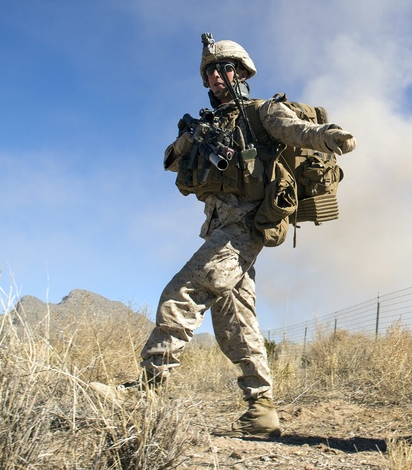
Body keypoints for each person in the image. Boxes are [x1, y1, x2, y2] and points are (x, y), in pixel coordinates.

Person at [94, 36, 356, 439]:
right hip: (220, 228)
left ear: (243, 73)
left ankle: (146, 389)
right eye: (212, 71)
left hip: (246, 227)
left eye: (226, 68)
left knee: (183, 291)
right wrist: (192, 137)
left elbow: (296, 129)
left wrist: (330, 136)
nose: (218, 75)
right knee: (234, 316)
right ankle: (262, 408)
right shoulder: (206, 125)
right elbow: (170, 161)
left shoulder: (262, 112)